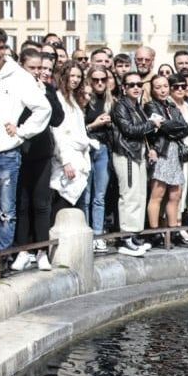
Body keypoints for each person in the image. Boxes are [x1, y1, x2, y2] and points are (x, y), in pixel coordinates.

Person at [0, 26, 51, 255]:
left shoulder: (19, 76)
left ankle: (2, 258)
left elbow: (42, 109)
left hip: (7, 152)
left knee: (7, 211)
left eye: (2, 47)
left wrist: (22, 131)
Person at [11, 49, 64, 272]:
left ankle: (42, 251)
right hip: (19, 150)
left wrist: (46, 94)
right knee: (22, 203)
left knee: (42, 203)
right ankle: (22, 250)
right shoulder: (14, 86)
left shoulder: (48, 89)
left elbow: (58, 118)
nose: (38, 72)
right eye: (33, 68)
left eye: (42, 69)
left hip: (41, 152)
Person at [112, 70, 156, 256]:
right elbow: (128, 129)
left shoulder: (137, 106)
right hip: (125, 154)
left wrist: (150, 146)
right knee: (129, 195)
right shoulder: (120, 106)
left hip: (137, 153)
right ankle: (125, 237)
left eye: (139, 84)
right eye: (131, 85)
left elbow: (140, 132)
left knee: (139, 195)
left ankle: (135, 234)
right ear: (124, 88)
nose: (136, 88)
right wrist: (152, 124)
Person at [144, 74, 188, 248]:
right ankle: (154, 233)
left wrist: (168, 126)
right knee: (157, 195)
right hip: (161, 151)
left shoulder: (172, 105)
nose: (162, 90)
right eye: (158, 87)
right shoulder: (150, 106)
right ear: (153, 89)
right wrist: (169, 126)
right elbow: (163, 126)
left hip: (175, 153)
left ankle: (173, 231)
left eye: (165, 86)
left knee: (175, 195)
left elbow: (185, 128)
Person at [49, 64, 93, 218]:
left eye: (79, 76)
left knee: (73, 205)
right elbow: (59, 133)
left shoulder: (73, 100)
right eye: (72, 75)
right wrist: (66, 161)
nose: (75, 80)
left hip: (78, 157)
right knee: (62, 203)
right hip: (66, 158)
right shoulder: (59, 98)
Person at [82, 66, 113, 251]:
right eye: (95, 80)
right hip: (86, 148)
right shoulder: (85, 100)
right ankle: (87, 235)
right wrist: (94, 125)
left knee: (99, 196)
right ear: (90, 80)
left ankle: (98, 233)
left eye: (103, 79)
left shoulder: (111, 101)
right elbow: (78, 128)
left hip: (103, 149)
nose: (99, 83)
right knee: (86, 196)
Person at [170, 73, 188, 244]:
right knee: (174, 190)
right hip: (172, 152)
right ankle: (174, 226)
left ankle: (180, 223)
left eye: (183, 86)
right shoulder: (167, 106)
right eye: (176, 87)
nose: (180, 89)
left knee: (185, 188)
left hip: (187, 153)